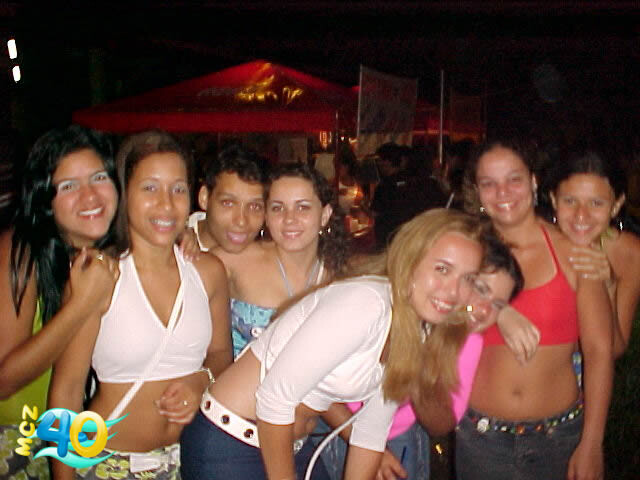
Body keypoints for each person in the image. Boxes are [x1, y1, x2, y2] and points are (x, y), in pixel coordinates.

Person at [180, 208, 488, 480]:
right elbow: (274, 398)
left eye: (467, 279)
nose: (453, 291)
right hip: (228, 443)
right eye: (442, 269)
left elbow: (370, 432)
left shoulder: (414, 331)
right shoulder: (367, 303)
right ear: (411, 261)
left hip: (284, 444)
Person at [49, 130, 233, 480]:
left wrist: (201, 381)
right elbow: (67, 390)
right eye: (150, 188)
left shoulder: (209, 272)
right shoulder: (98, 277)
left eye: (178, 189)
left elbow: (222, 354)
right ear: (124, 194)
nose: (166, 204)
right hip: (109, 464)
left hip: (193, 462)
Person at [456, 139, 614, 480]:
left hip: (559, 437)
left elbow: (599, 350)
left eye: (514, 179)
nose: (503, 192)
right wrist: (499, 308)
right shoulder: (464, 249)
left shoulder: (574, 251)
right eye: (489, 183)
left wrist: (592, 442)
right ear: (477, 192)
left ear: (533, 181)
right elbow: (439, 311)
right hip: (482, 438)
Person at [0, 126, 120, 480]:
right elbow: (4, 380)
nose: (90, 196)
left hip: (78, 436)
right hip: (16, 441)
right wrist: (81, 305)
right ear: (46, 201)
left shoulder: (113, 252)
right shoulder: (21, 250)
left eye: (99, 177)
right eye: (68, 186)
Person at [542, 147, 640, 358]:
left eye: (596, 203)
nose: (581, 215)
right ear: (553, 199)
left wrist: (608, 286)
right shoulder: (534, 242)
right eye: (570, 201)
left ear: (616, 205)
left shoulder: (630, 253)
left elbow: (614, 348)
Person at [189, 144, 268, 254]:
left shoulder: (267, 256)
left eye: (255, 207)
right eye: (228, 203)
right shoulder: (172, 245)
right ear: (204, 198)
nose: (241, 221)